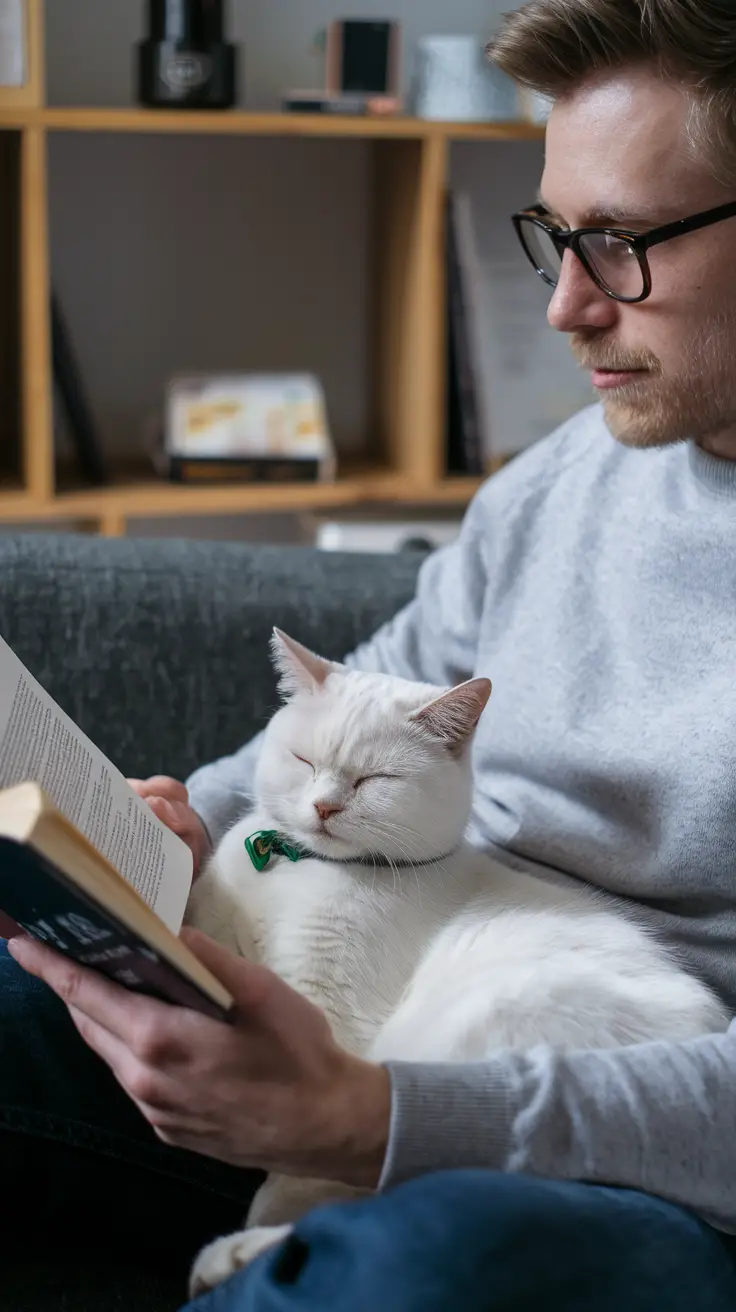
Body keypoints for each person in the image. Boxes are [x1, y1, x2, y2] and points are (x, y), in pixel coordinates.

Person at [4, 1, 736, 1308]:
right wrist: (172, 831)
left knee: (434, 1267)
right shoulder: (564, 480)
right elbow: (364, 689)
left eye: (619, 246)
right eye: (557, 237)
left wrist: (376, 1122)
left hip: (636, 1153)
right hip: (364, 998)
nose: (565, 306)